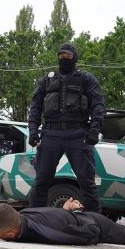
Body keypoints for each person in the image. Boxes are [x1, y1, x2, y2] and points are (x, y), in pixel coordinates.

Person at [28, 43, 106, 212]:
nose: (64, 59)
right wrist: (33, 131)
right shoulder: (46, 80)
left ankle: (96, 221)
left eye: (68, 56)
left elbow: (98, 106)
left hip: (77, 134)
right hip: (50, 133)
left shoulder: (86, 79)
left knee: (86, 181)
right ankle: (33, 218)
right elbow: (35, 107)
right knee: (41, 180)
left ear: (74, 58)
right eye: (61, 56)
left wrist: (94, 129)